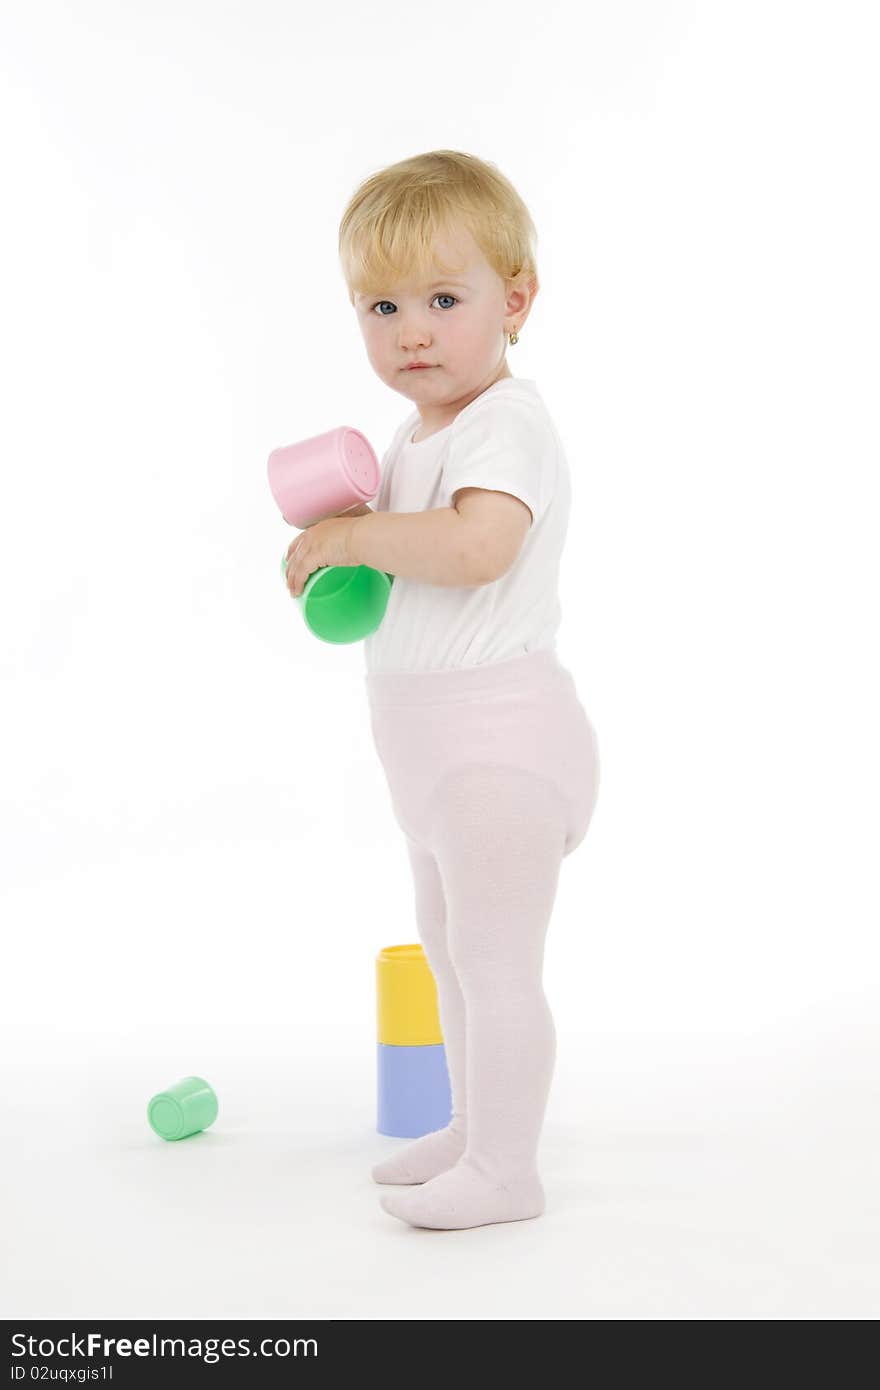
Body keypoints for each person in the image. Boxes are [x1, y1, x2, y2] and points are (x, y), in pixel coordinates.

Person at [284, 150, 600, 1230]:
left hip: (500, 749)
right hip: (433, 759)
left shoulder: (503, 422)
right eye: (381, 305)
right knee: (451, 951)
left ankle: (509, 1171)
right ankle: (476, 1129)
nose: (409, 329)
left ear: (514, 302)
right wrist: (335, 558)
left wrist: (358, 531)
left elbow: (475, 549)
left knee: (493, 958)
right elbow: (403, 586)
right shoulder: (410, 438)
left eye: (442, 299)